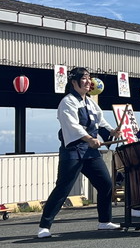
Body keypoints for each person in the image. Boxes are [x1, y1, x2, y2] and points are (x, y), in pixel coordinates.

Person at [37, 67, 121, 238]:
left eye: (89, 78)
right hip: (73, 151)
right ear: (74, 82)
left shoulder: (90, 102)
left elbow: (101, 122)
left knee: (106, 184)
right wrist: (89, 138)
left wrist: (112, 132)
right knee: (63, 188)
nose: (88, 81)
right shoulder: (67, 102)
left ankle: (104, 221)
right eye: (84, 78)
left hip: (90, 152)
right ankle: (44, 226)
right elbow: (72, 126)